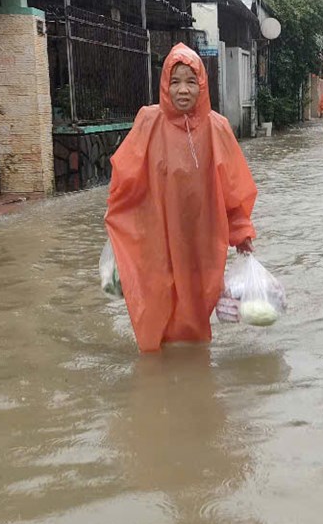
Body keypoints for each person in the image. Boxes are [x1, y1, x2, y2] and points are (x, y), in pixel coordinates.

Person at [105, 43, 257, 353]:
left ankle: (194, 365)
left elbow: (233, 188)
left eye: (191, 81)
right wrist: (118, 227)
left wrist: (241, 234)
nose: (183, 90)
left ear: (202, 84)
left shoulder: (218, 128)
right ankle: (158, 363)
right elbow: (125, 180)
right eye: (175, 82)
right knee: (157, 298)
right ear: (164, 85)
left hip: (203, 237)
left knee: (198, 302)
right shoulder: (149, 122)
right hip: (157, 235)